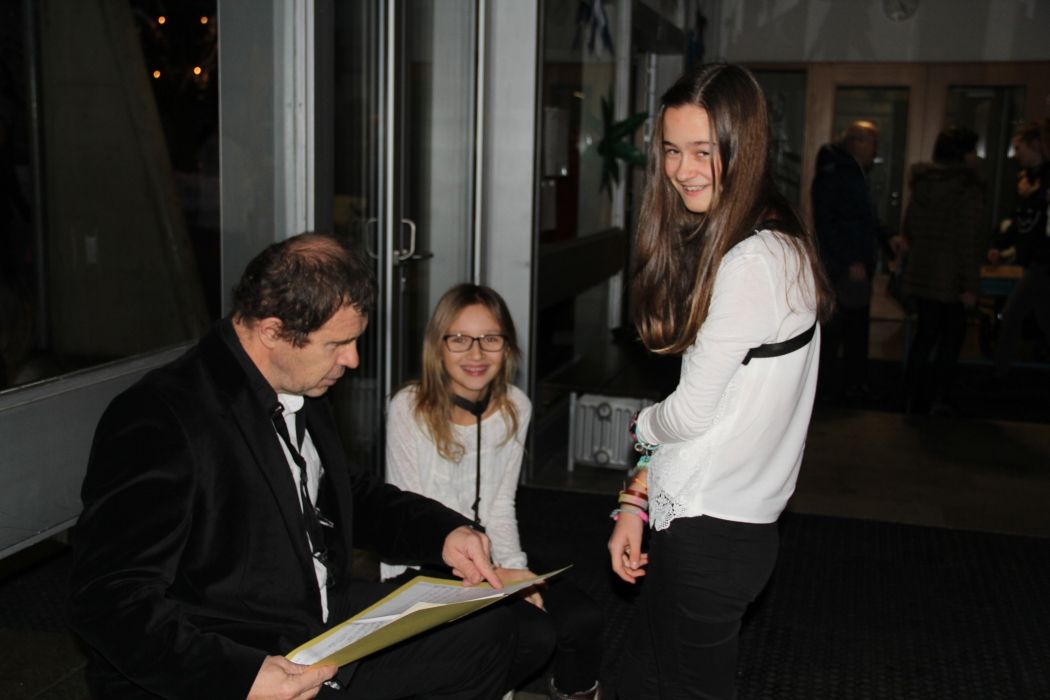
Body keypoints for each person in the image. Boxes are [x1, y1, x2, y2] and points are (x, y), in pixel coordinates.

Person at [69, 233, 538, 700]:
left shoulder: (299, 381)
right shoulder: (161, 416)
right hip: (240, 651)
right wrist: (241, 677)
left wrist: (442, 532)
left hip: (316, 617)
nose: (352, 359)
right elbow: (109, 599)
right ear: (272, 332)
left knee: (505, 632)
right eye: (338, 344)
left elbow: (347, 493)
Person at [606, 64, 833, 699]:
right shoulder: (771, 243)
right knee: (637, 678)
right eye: (672, 150)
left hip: (712, 532)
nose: (683, 169)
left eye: (704, 151)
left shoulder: (752, 261)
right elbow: (717, 418)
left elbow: (689, 416)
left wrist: (642, 425)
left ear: (744, 144)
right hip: (708, 521)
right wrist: (635, 503)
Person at [381, 283, 604, 700]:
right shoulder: (408, 407)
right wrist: (502, 580)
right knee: (532, 633)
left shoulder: (516, 406)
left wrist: (518, 572)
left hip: (490, 556)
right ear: (438, 347)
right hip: (425, 561)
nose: (476, 353)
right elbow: (411, 517)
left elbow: (501, 506)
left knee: (582, 619)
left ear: (507, 347)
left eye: (490, 339)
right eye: (460, 339)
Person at [899, 126, 985, 415]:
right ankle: (938, 397)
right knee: (950, 340)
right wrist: (971, 284)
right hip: (951, 276)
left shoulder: (924, 183)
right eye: (973, 150)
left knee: (924, 336)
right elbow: (968, 239)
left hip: (923, 271)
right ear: (964, 154)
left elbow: (910, 227)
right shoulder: (967, 188)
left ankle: (912, 397)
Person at [811, 118, 881, 401]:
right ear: (856, 142)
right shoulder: (837, 172)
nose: (875, 149)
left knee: (851, 327)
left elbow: (861, 218)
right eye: (872, 142)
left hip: (848, 262)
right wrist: (850, 259)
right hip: (842, 266)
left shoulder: (850, 170)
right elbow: (827, 222)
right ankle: (831, 389)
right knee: (839, 328)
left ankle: (848, 384)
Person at [988, 119, 1050, 377]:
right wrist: (999, 244)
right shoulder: (1025, 179)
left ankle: (999, 374)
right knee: (1040, 316)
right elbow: (1017, 220)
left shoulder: (1043, 181)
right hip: (1034, 259)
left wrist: (1032, 197)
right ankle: (1001, 371)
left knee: (1013, 314)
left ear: (1035, 145)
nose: (1015, 155)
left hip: (1043, 261)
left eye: (1018, 147)